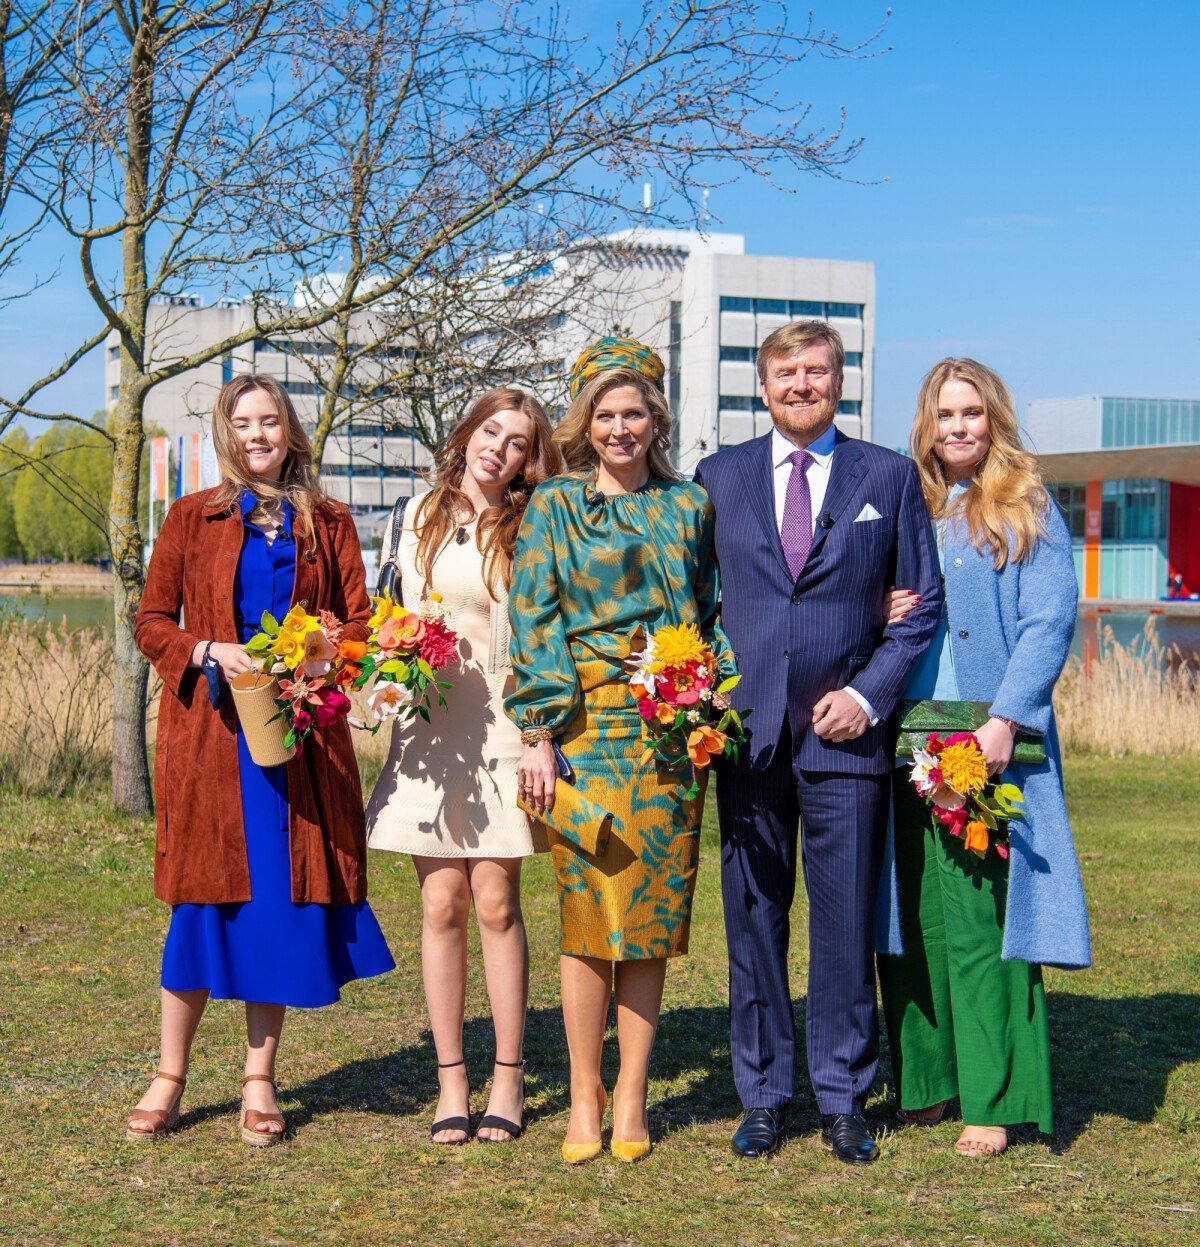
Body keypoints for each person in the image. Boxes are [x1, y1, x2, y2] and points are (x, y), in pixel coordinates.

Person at [693, 320, 942, 1164]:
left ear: (841, 381)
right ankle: (762, 1094)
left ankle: (843, 1096)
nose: (802, 385)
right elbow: (695, 606)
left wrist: (868, 696)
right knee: (754, 923)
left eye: (818, 371)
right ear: (762, 388)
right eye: (786, 373)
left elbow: (922, 608)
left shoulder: (891, 477)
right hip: (748, 739)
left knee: (841, 928)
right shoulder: (716, 478)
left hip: (846, 742)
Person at [127, 375, 394, 1146]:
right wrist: (206, 649)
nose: (256, 434)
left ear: (290, 430)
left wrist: (315, 657)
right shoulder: (191, 516)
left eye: (268, 420)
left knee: (274, 912)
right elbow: (151, 621)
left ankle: (258, 1079)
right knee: (199, 910)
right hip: (212, 743)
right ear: (226, 433)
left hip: (297, 747)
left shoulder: (330, 521)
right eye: (241, 423)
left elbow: (358, 623)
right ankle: (169, 1076)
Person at [506, 337, 733, 1164]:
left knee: (649, 919)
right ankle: (583, 1094)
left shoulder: (689, 507)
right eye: (605, 413)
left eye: (634, 411)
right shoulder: (556, 505)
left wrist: (705, 702)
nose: (620, 427)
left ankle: (633, 1094)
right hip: (580, 733)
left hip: (668, 736)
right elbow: (532, 619)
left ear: (657, 418)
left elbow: (711, 615)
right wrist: (536, 731)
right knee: (587, 915)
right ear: (583, 421)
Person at [876, 358, 1091, 1156]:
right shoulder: (910, 503)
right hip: (905, 735)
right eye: (944, 414)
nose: (957, 427)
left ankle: (993, 1095)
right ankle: (926, 1081)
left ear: (993, 418)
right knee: (911, 919)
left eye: (971, 412)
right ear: (926, 426)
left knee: (982, 921)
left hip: (983, 738)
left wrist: (1005, 719)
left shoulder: (1025, 505)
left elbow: (1049, 620)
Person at [364, 388, 561, 1144]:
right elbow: (385, 619)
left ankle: (508, 1077)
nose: (500, 449)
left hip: (505, 729)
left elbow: (544, 632)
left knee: (495, 900)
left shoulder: (531, 525)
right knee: (440, 902)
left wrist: (543, 729)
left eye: (517, 442)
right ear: (466, 433)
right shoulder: (412, 518)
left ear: (528, 459)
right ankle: (452, 1080)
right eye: (491, 431)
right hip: (429, 733)